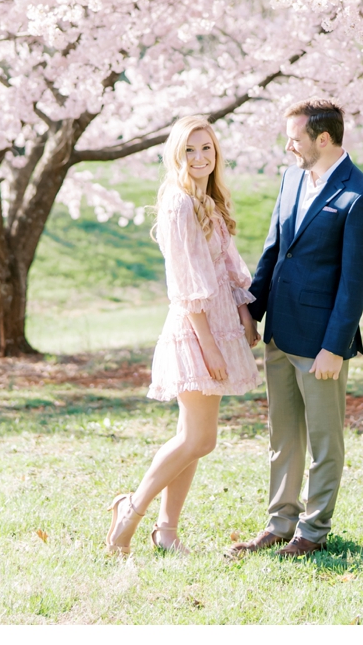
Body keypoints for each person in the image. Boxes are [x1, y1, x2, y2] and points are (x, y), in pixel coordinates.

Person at [228, 98, 363, 559]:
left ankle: (312, 532)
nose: (289, 146)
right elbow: (274, 250)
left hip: (320, 345)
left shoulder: (361, 196)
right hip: (280, 332)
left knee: (324, 440)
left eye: (295, 138)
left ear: (324, 138)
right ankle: (280, 523)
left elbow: (355, 284)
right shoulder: (292, 178)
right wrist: (252, 310)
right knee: (283, 436)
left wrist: (335, 347)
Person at [104, 115, 262, 555]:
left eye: (206, 149)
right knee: (199, 439)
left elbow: (227, 264)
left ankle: (167, 532)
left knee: (192, 435)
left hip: (220, 321)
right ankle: (130, 511)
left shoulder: (208, 199)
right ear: (177, 155)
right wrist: (209, 343)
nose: (199, 158)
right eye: (190, 150)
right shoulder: (178, 203)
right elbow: (186, 281)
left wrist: (244, 311)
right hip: (196, 328)